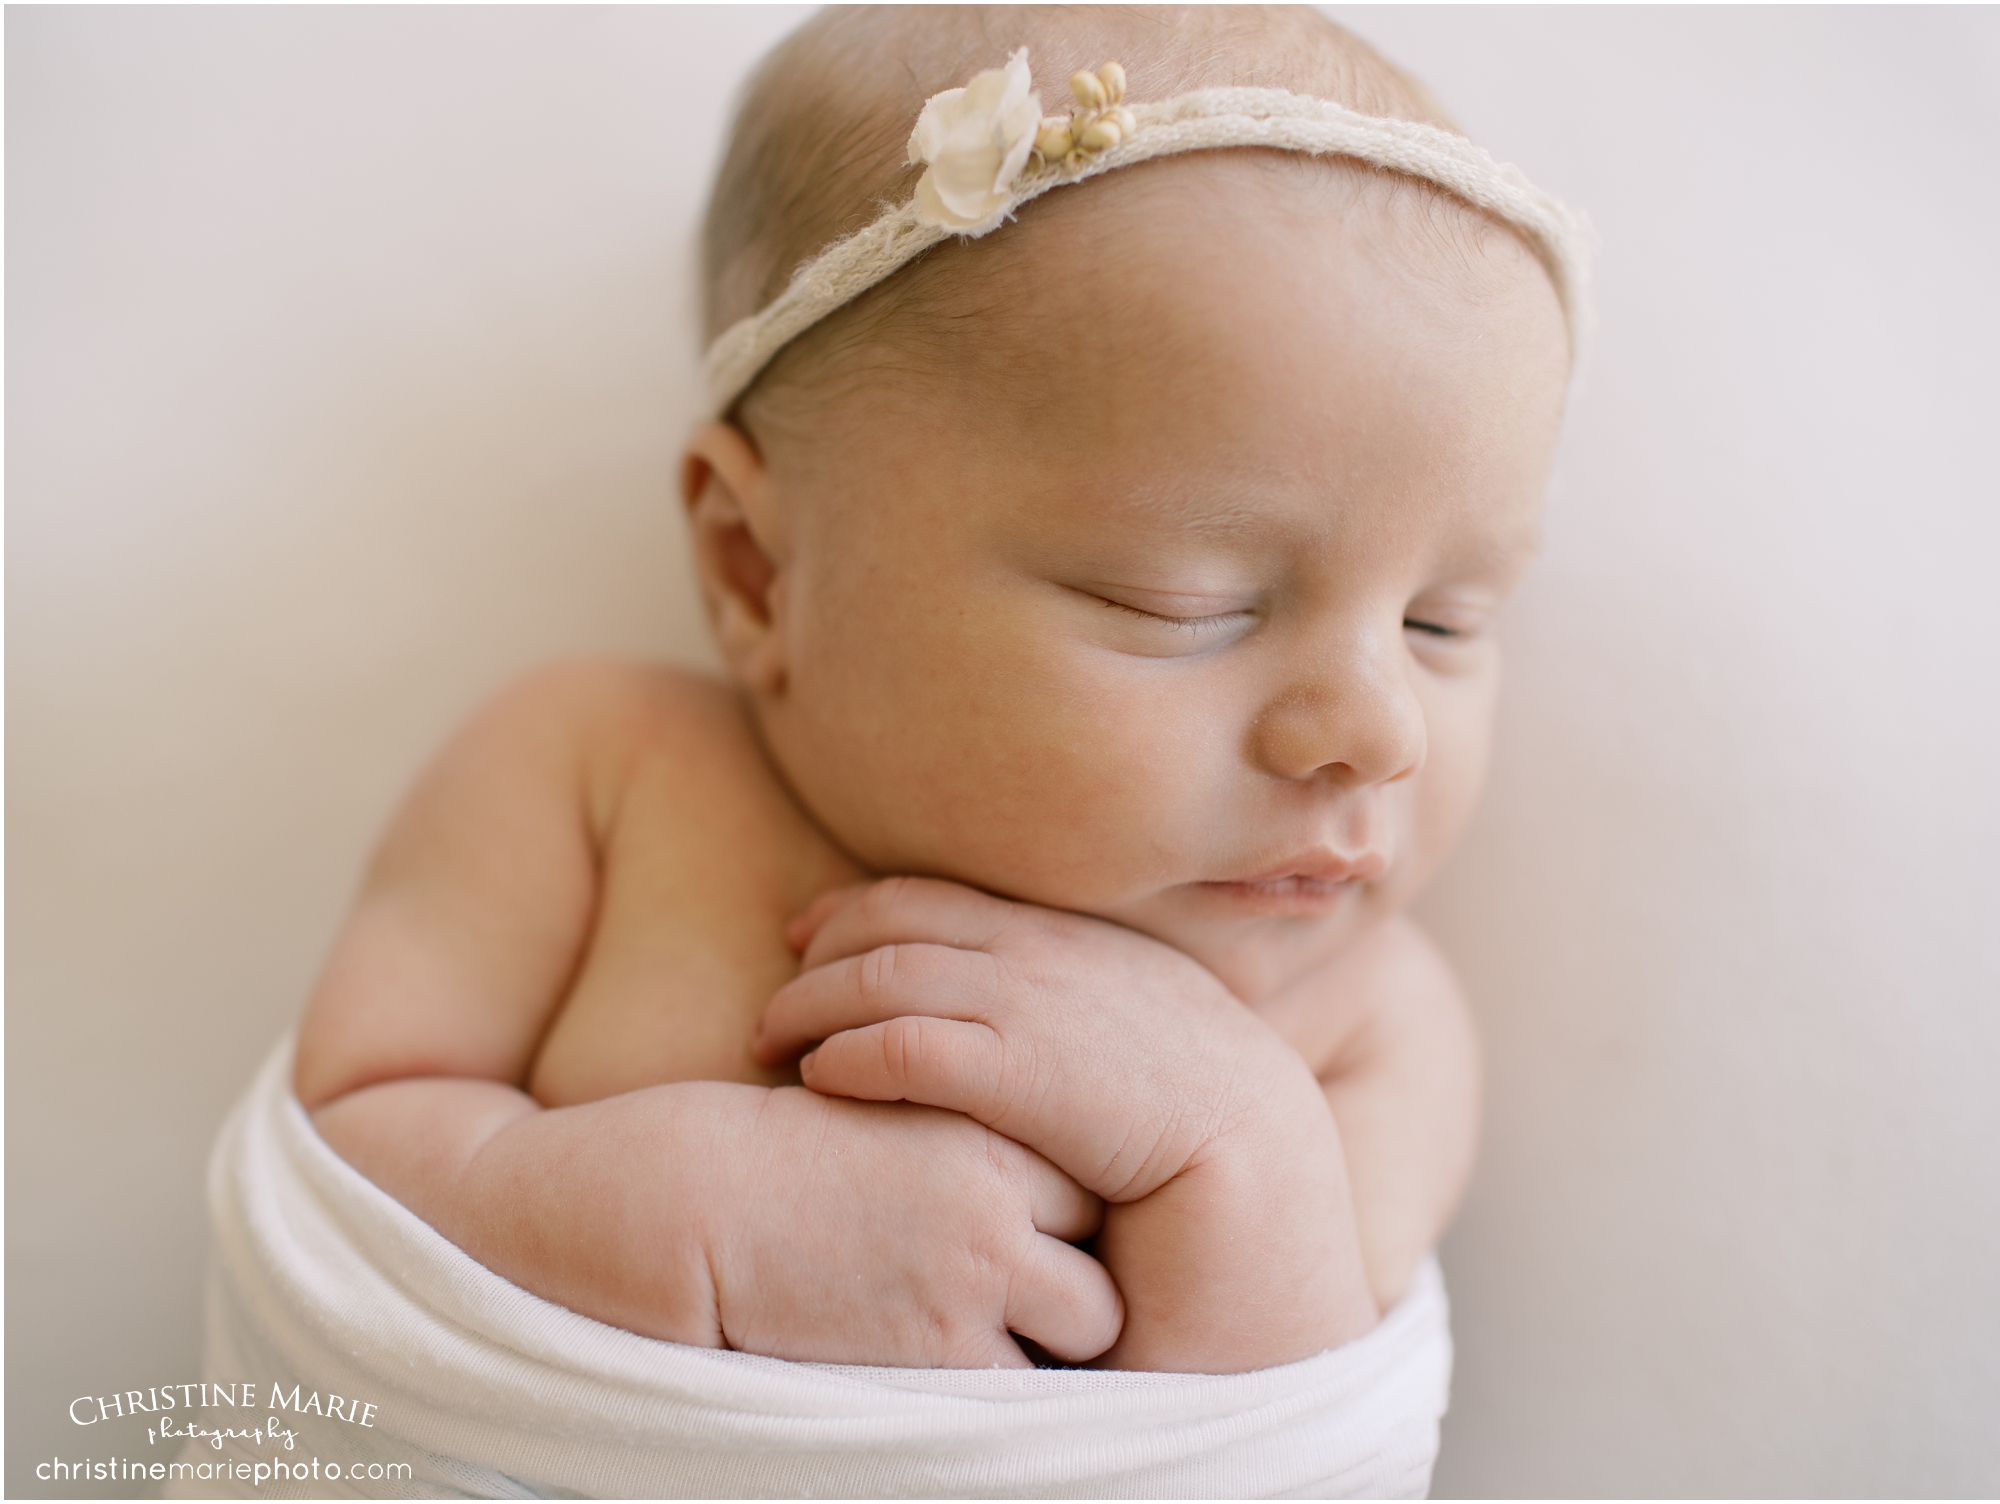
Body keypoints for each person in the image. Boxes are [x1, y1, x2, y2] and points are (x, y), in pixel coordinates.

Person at [290, 3, 1579, 1376]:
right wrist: (671, 1216)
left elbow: (1298, 1432)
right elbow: (342, 1151)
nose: (1379, 732)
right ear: (757, 572)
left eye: (1447, 624)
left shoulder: (1370, 1016)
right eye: (1183, 604)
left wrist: (1229, 1140)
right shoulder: (597, 776)